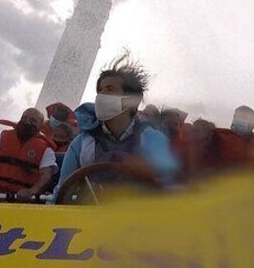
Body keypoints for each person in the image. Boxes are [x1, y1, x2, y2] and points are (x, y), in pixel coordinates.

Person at [55, 54, 178, 193]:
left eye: (109, 89)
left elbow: (169, 188)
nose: (101, 96)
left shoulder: (153, 139)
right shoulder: (82, 144)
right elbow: (62, 191)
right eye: (99, 91)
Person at [0, 108, 57, 201]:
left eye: (33, 120)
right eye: (24, 118)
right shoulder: (2, 138)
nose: (27, 122)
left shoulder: (46, 150)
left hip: (20, 199)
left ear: (41, 127)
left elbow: (46, 176)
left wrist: (32, 191)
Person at [212, 105, 254, 188]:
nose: (237, 120)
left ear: (253, 124)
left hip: (248, 194)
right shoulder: (218, 139)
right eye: (235, 117)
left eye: (243, 117)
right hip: (218, 194)